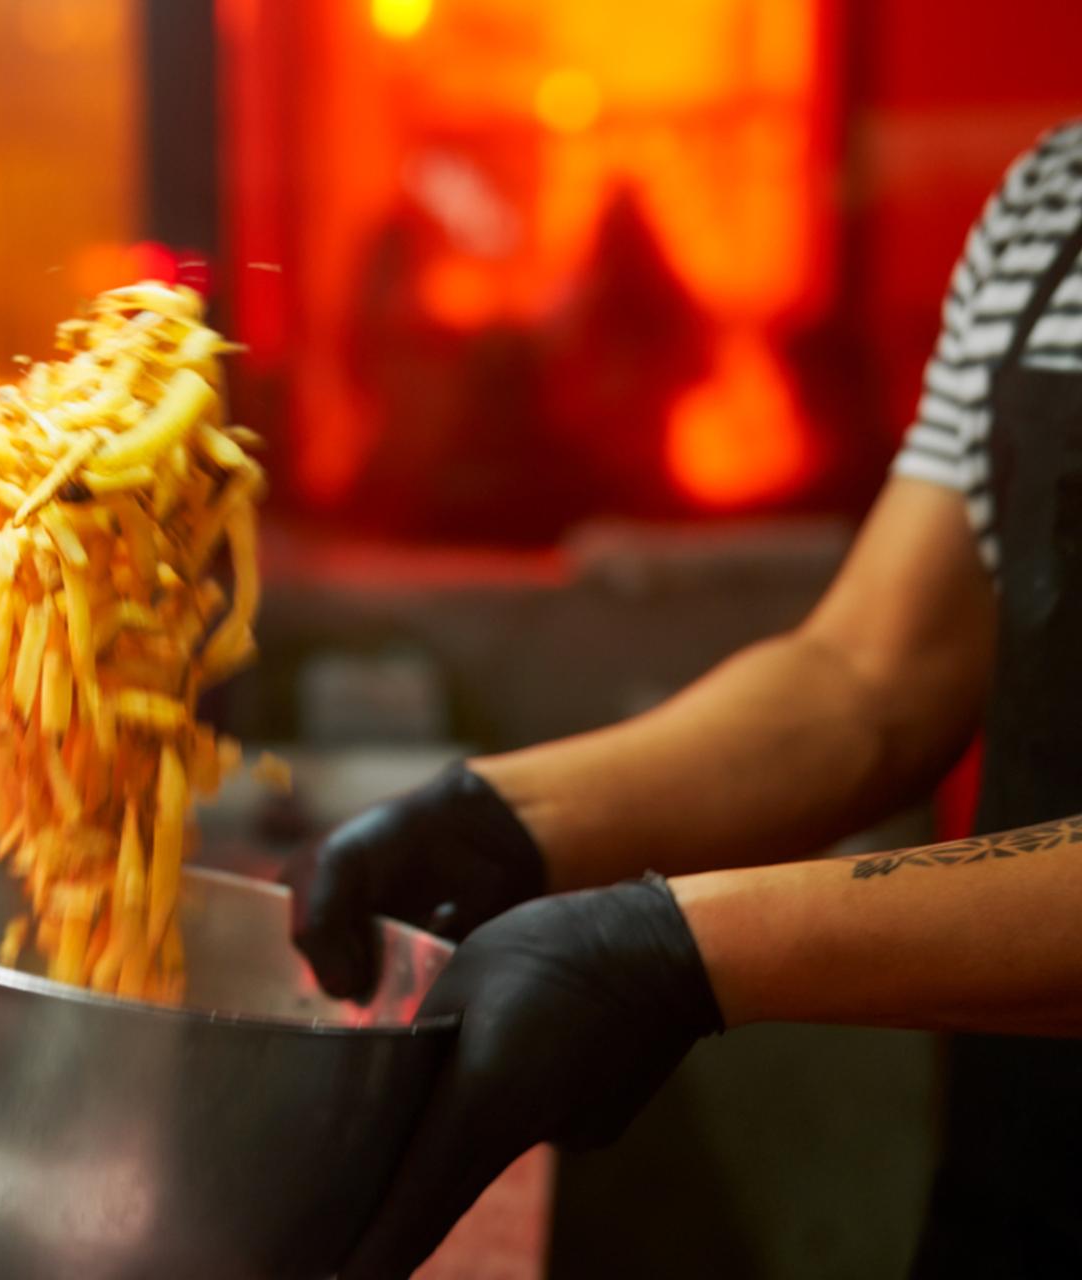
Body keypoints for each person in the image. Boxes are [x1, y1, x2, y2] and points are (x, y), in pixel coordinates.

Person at [291, 119, 1082, 1280]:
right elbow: (866, 677)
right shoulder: (1051, 203)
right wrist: (504, 815)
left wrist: (674, 947)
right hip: (1026, 1171)